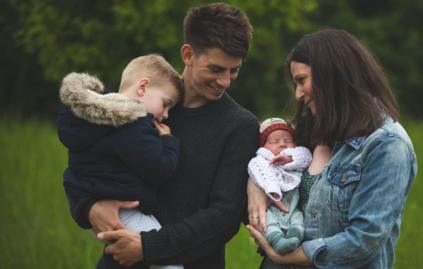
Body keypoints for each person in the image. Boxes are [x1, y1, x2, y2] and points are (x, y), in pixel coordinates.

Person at [58, 3, 258, 269]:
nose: (226, 81)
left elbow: (225, 216)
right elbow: (86, 165)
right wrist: (88, 208)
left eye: (234, 70)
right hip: (119, 262)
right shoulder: (144, 107)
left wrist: (148, 248)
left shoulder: (239, 126)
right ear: (188, 54)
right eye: (216, 69)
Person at [246, 29, 417, 269]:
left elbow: (363, 241)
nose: (298, 94)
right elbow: (263, 158)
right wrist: (255, 184)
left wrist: (287, 257)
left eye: (302, 80)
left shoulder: (387, 145)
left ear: (332, 75)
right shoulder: (305, 132)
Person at [58, 54, 183, 269]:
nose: (166, 115)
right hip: (126, 211)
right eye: (166, 104)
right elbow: (159, 169)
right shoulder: (133, 123)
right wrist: (169, 142)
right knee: (168, 261)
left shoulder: (90, 120)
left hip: (95, 207)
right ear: (142, 87)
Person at [247, 118, 312, 255]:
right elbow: (261, 174)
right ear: (263, 146)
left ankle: (295, 235)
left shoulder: (295, 159)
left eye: (288, 141)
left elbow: (305, 156)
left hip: (293, 205)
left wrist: (289, 158)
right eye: (274, 142)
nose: (282, 144)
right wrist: (273, 193)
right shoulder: (261, 161)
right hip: (272, 204)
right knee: (269, 223)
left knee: (298, 217)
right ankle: (278, 241)